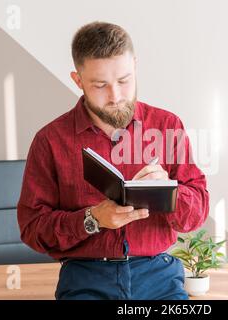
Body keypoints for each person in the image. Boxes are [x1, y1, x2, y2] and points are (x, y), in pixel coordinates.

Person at [17, 21, 209, 300]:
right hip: (85, 277)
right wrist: (91, 219)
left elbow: (198, 213)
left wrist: (170, 191)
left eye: (124, 80)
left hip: (159, 277)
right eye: (100, 85)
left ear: (135, 67)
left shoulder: (167, 125)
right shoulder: (50, 140)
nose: (116, 96)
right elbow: (33, 228)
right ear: (78, 80)